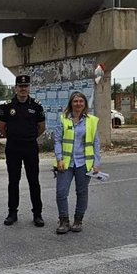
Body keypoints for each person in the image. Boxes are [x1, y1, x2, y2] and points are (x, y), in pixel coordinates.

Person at [0, 74, 45, 227]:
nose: (23, 89)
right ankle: (12, 213)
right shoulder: (8, 106)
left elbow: (41, 128)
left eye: (26, 86)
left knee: (34, 181)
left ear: (29, 88)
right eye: (20, 86)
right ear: (15, 88)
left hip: (30, 147)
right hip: (13, 147)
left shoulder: (36, 106)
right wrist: (13, 137)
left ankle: (37, 214)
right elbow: (2, 128)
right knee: (13, 181)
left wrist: (29, 137)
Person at [53, 91, 101, 234]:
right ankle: (64, 220)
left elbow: (95, 143)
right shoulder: (63, 119)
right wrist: (59, 158)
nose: (78, 104)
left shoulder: (91, 121)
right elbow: (57, 140)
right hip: (66, 163)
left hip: (84, 163)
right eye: (75, 101)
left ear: (85, 104)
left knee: (82, 192)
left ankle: (78, 220)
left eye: (81, 101)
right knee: (61, 192)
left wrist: (96, 163)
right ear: (71, 104)